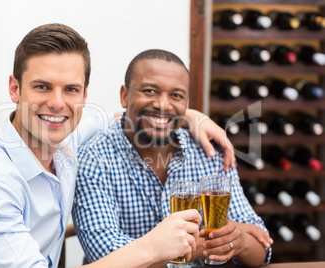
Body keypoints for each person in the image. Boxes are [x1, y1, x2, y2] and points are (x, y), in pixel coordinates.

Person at [0, 23, 234, 268]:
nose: (57, 103)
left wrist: (193, 117)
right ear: (15, 88)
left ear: (84, 95)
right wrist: (153, 247)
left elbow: (132, 115)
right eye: (42, 86)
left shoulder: (65, 143)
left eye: (70, 90)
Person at [73, 49, 273, 267]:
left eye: (176, 96)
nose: (163, 105)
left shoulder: (210, 152)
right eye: (150, 91)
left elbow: (262, 249)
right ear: (124, 95)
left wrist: (240, 240)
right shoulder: (93, 159)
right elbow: (106, 258)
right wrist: (201, 243)